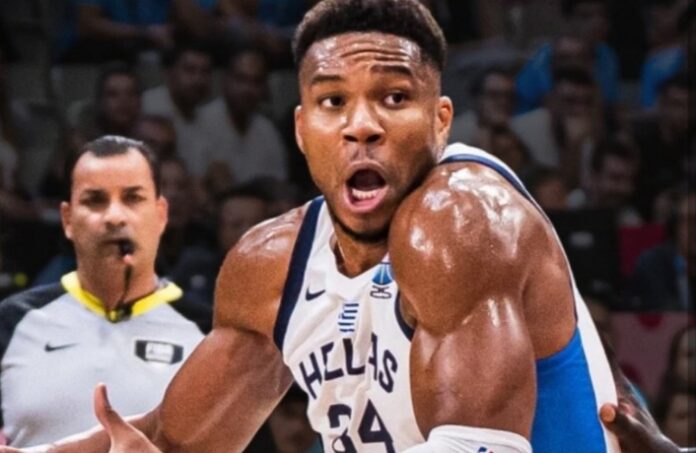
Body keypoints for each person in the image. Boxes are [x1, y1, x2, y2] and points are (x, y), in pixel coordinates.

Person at [2, 1, 685, 453]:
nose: (362, 125)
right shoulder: (270, 264)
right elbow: (175, 439)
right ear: (302, 129)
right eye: (333, 102)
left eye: (395, 97)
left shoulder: (462, 216)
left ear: (441, 120)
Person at [0, 136, 211, 447]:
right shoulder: (11, 322)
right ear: (67, 219)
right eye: (95, 200)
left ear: (161, 214)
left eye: (132, 198)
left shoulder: (209, 334)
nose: (114, 216)